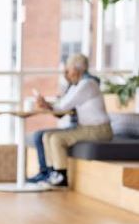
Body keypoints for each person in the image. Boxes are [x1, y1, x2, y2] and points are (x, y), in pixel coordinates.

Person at [33, 53, 111, 187]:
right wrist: (47, 104)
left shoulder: (87, 84)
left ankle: (61, 177)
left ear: (75, 69)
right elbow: (61, 105)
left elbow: (63, 106)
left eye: (67, 70)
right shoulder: (78, 84)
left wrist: (47, 105)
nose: (66, 74)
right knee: (47, 136)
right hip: (86, 128)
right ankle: (53, 174)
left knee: (56, 139)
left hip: (99, 130)